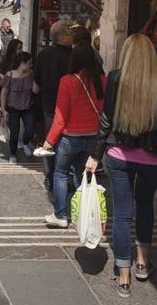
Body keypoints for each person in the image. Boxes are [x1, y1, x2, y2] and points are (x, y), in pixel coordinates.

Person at [84, 33, 157, 298]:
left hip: (120, 156)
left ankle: (123, 276)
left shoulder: (115, 78)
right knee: (145, 206)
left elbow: (106, 119)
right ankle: (142, 264)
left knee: (122, 215)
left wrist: (95, 153)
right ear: (151, 56)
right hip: (153, 159)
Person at [37, 38, 106, 229]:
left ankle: (60, 215)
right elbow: (102, 110)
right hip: (92, 135)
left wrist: (48, 142)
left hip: (70, 137)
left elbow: (60, 117)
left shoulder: (67, 81)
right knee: (82, 174)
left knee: (60, 173)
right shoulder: (101, 80)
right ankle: (81, 214)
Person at [34, 20, 74, 192]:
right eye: (70, 33)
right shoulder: (72, 56)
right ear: (63, 37)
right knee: (65, 144)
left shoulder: (43, 55)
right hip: (68, 107)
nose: (72, 36)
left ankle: (51, 177)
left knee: (50, 142)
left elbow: (35, 86)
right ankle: (62, 176)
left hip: (49, 106)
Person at [0, 52, 37, 161]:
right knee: (14, 133)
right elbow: (4, 92)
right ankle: (13, 154)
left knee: (30, 129)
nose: (31, 65)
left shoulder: (31, 74)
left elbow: (35, 90)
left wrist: (35, 79)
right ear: (22, 63)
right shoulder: (9, 75)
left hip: (27, 107)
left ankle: (24, 143)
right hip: (13, 107)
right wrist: (3, 108)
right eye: (29, 63)